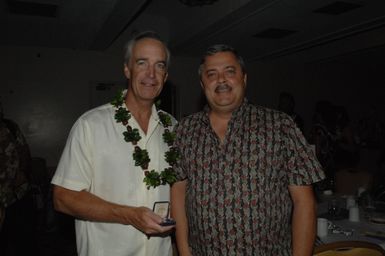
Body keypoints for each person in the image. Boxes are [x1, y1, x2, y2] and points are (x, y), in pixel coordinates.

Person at [171, 44, 325, 255]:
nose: (221, 79)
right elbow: (178, 193)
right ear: (202, 83)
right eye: (212, 74)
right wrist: (184, 252)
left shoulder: (280, 126)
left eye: (230, 71)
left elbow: (304, 202)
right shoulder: (184, 130)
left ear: (244, 78)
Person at [51, 31, 176, 256]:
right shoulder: (91, 124)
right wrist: (128, 214)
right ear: (127, 69)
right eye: (142, 63)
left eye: (159, 65)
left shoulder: (174, 129)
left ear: (165, 76)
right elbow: (63, 198)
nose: (151, 74)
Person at [0, 102, 37, 255]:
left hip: (17, 196)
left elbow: (24, 154)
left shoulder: (10, 127)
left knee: (23, 242)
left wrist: (22, 173)